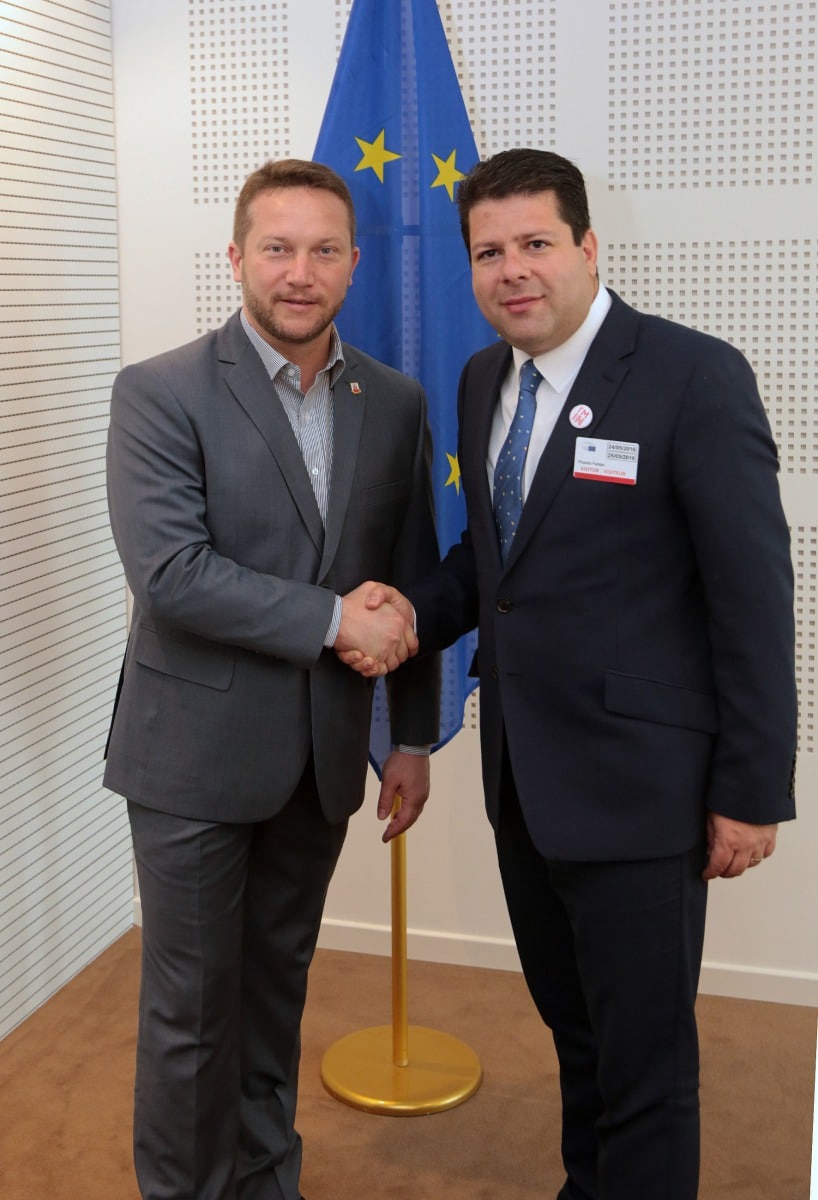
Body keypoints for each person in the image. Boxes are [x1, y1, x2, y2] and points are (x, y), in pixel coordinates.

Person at [348, 148, 797, 1199]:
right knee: (577, 1031)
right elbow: (492, 564)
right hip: (525, 784)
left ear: (589, 247)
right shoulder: (481, 382)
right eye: (487, 251)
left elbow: (752, 599)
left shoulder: (692, 375)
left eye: (536, 243)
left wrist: (750, 790)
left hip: (642, 793)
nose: (512, 270)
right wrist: (409, 613)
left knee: (645, 1063)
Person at [104, 158, 440, 1200]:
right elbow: (172, 575)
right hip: (193, 761)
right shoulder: (160, 390)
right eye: (279, 248)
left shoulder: (394, 400)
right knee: (192, 1013)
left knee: (273, 993)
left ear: (354, 262)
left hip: (320, 761)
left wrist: (410, 737)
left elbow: (410, 575)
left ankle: (265, 1180)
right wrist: (335, 620)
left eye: (324, 250)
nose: (301, 272)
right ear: (237, 256)